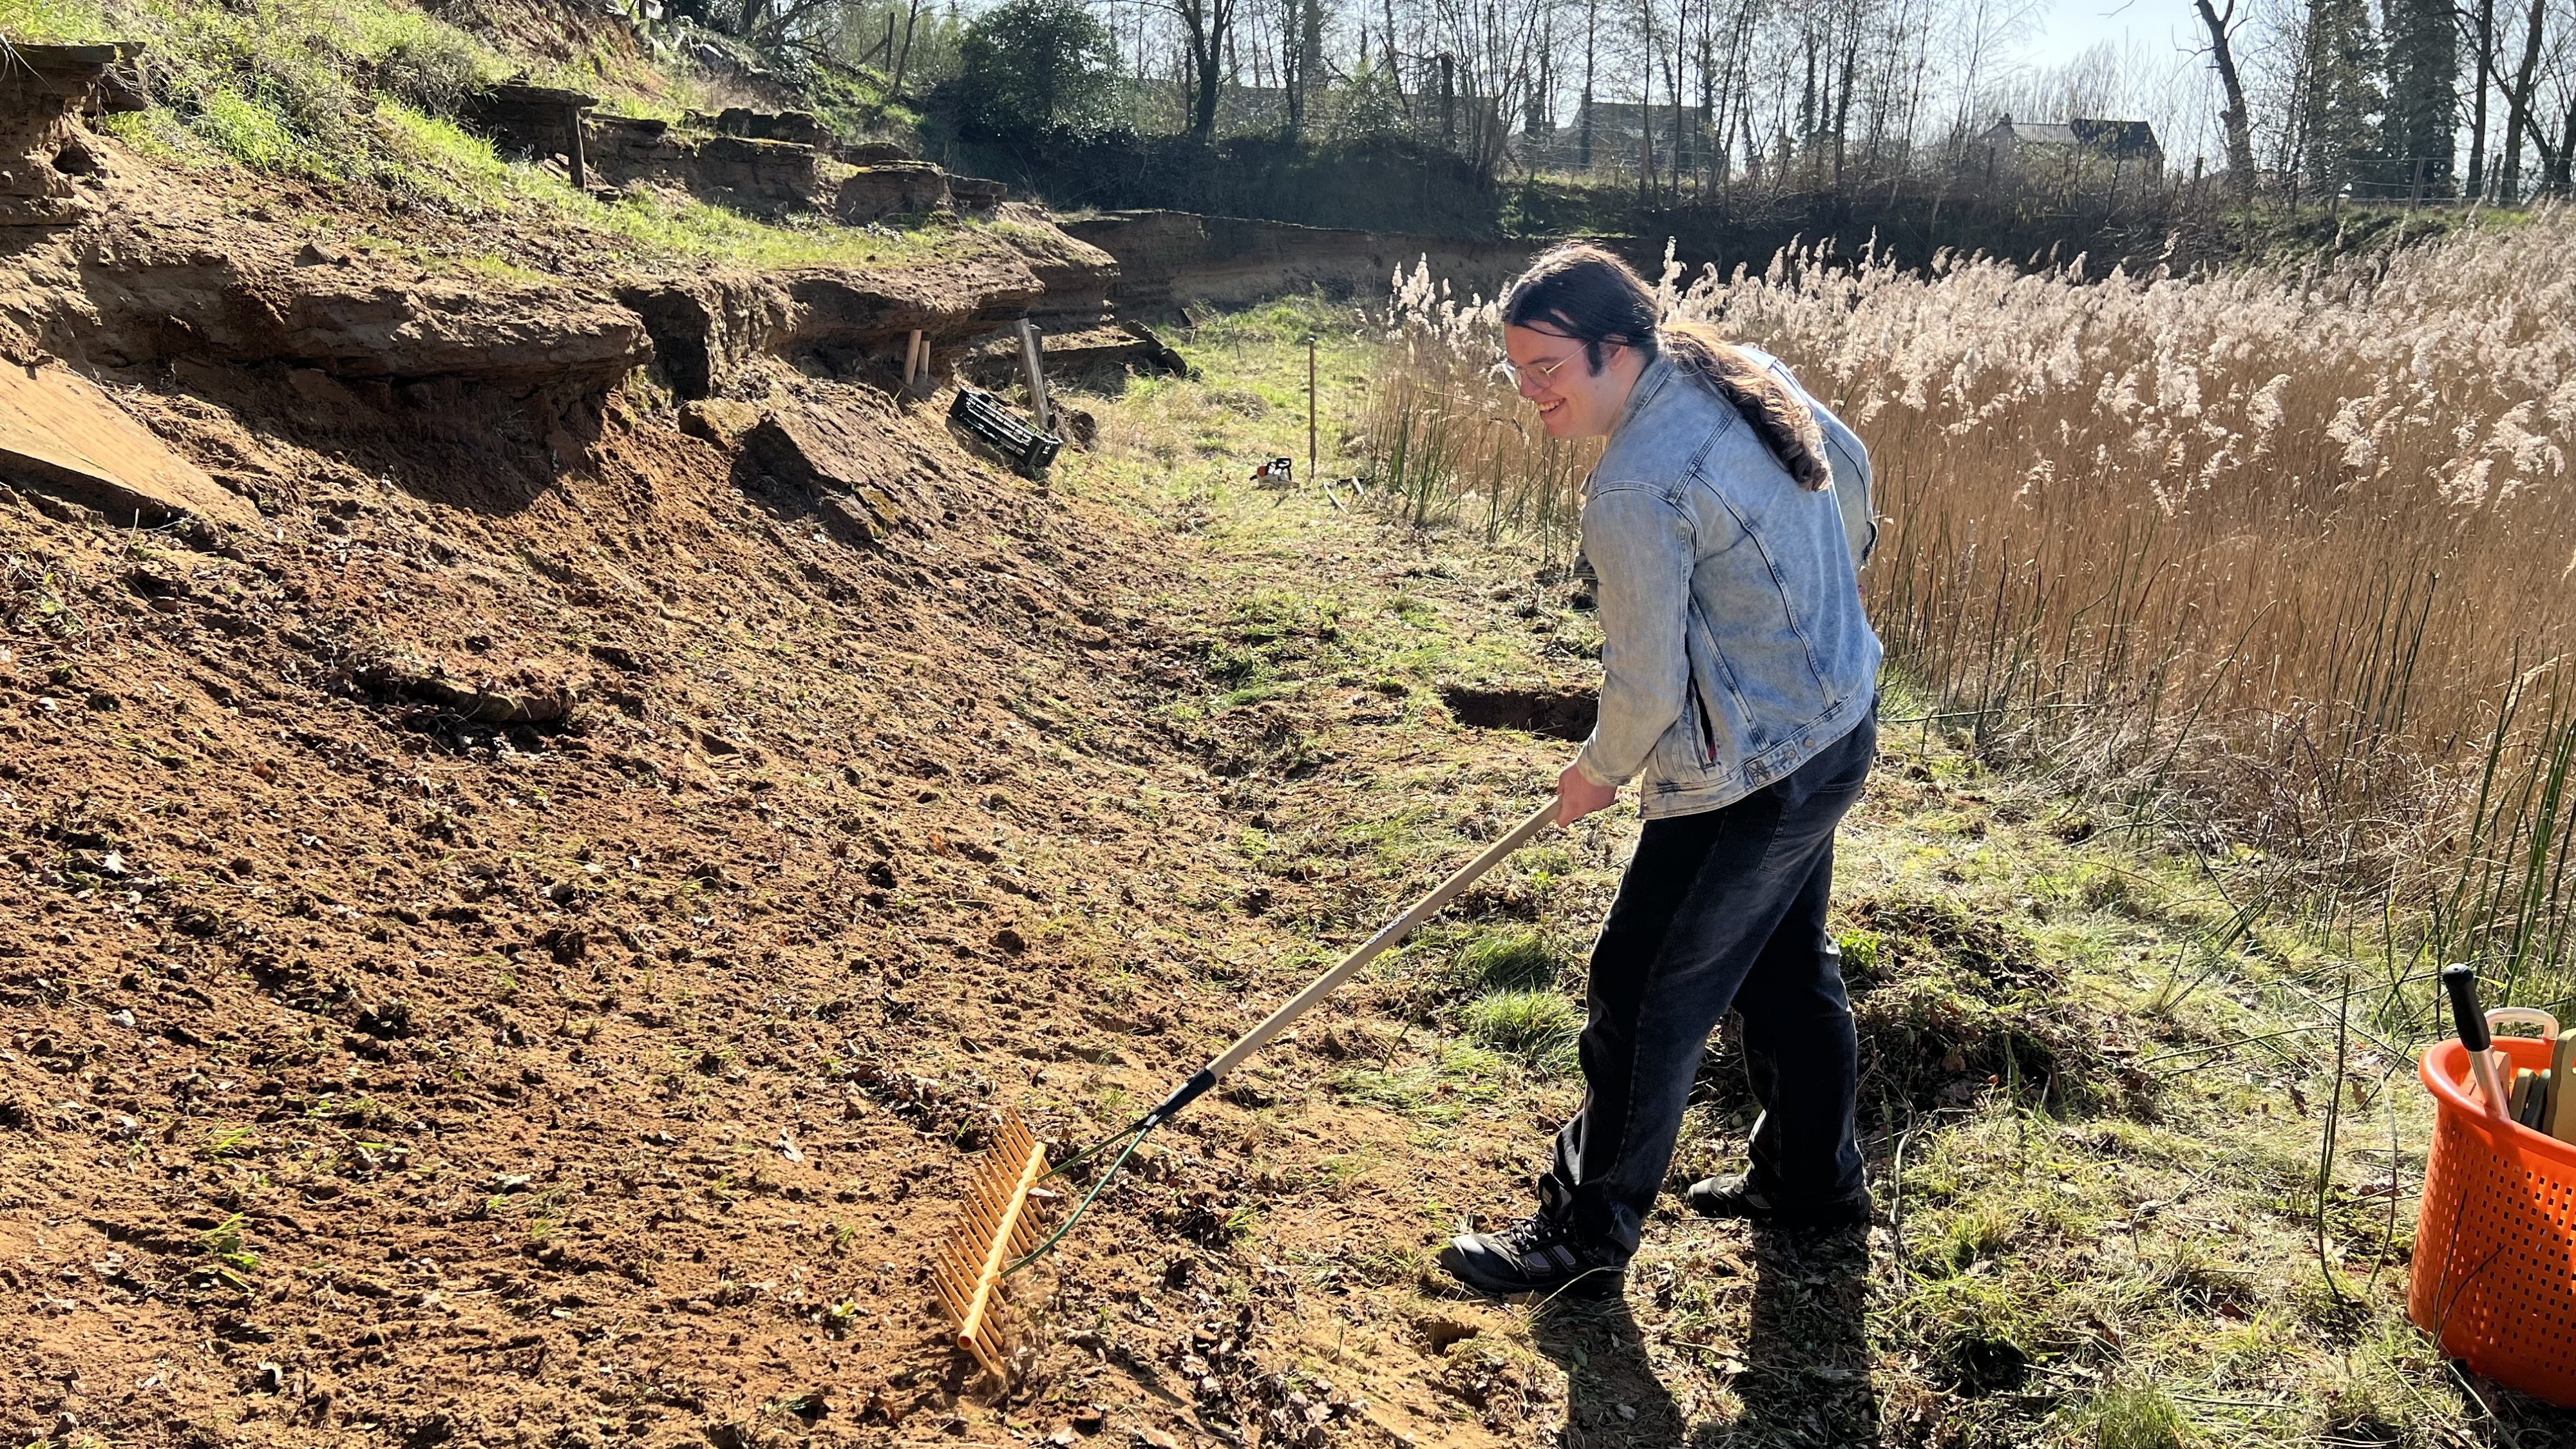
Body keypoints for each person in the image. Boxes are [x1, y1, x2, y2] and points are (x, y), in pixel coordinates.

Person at [1439, 245, 1882, 1301]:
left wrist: (1597, 773)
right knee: (1784, 967)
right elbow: (1855, 475)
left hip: (1755, 776)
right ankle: (1812, 1185)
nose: (1531, 392)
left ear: (1616, 348)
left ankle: (1581, 1234)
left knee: (1641, 988)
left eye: (1549, 366)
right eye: (1516, 369)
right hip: (1836, 723)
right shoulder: (1737, 368)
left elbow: (1640, 692)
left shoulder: (1635, 487)